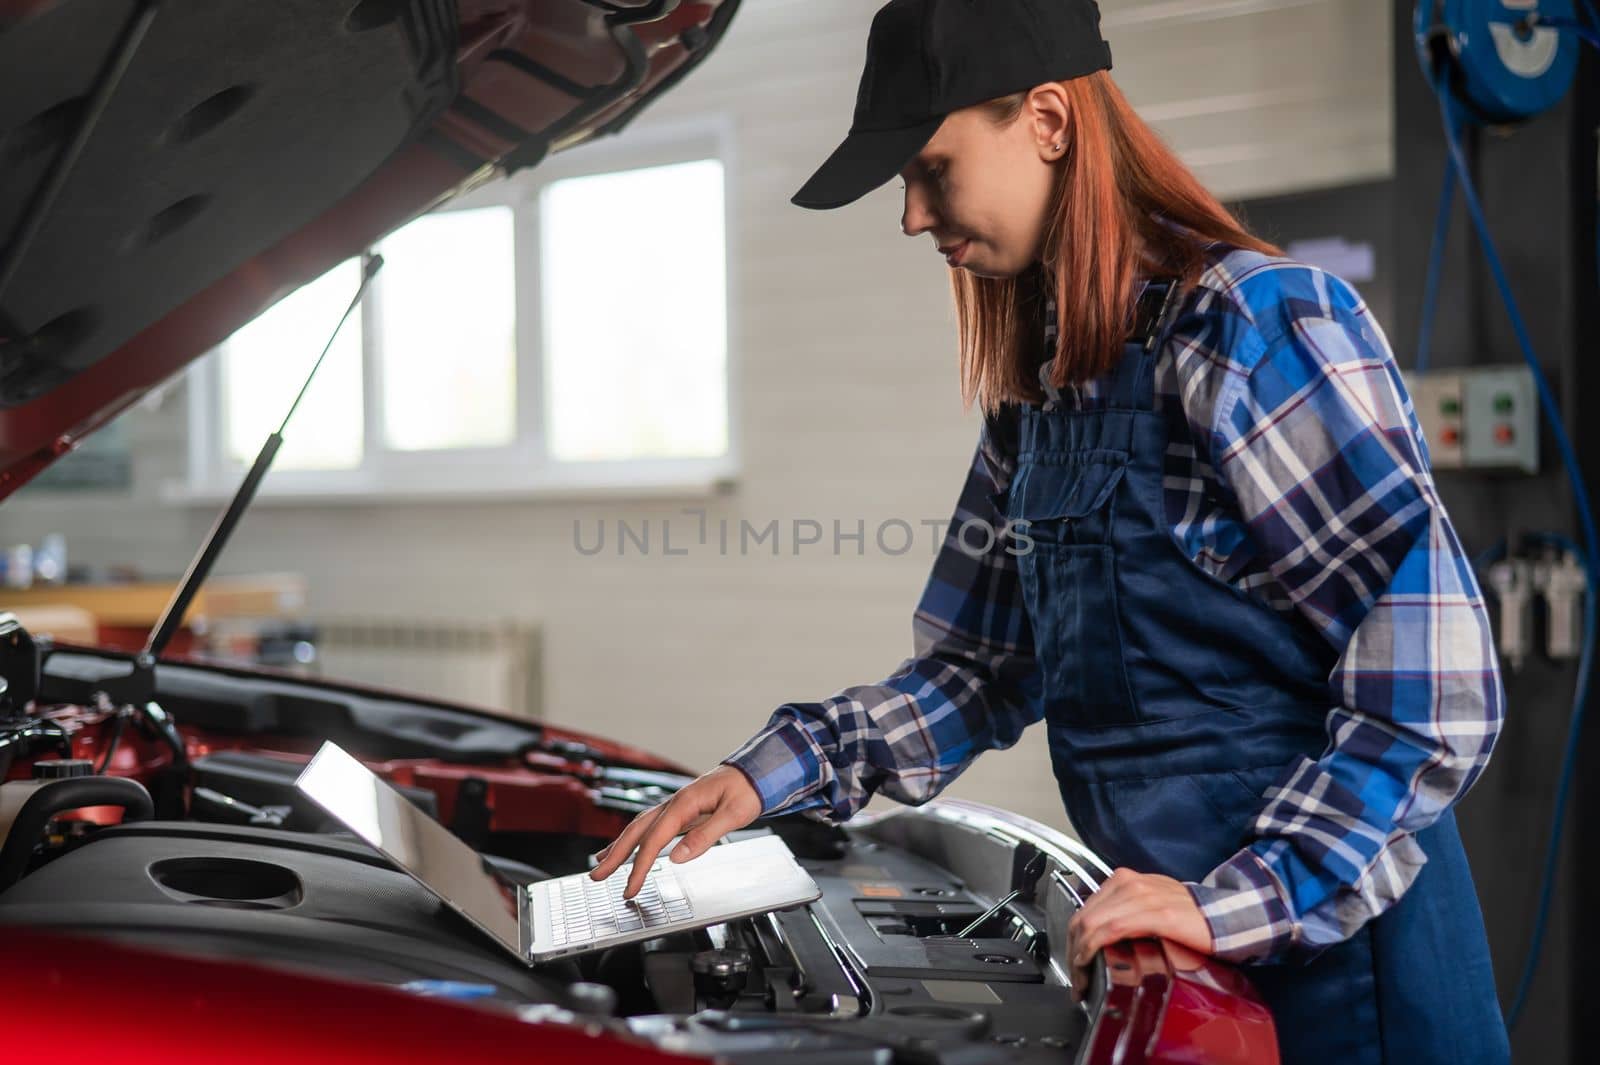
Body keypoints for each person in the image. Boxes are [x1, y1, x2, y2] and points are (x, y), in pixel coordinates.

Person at [590, 1, 1509, 1061]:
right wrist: (769, 773)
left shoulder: (1256, 329)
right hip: (1180, 950)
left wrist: (1242, 902)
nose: (911, 218)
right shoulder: (1040, 398)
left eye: (931, 169)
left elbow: (1432, 684)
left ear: (1048, 122)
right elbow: (979, 670)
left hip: (1340, 963)